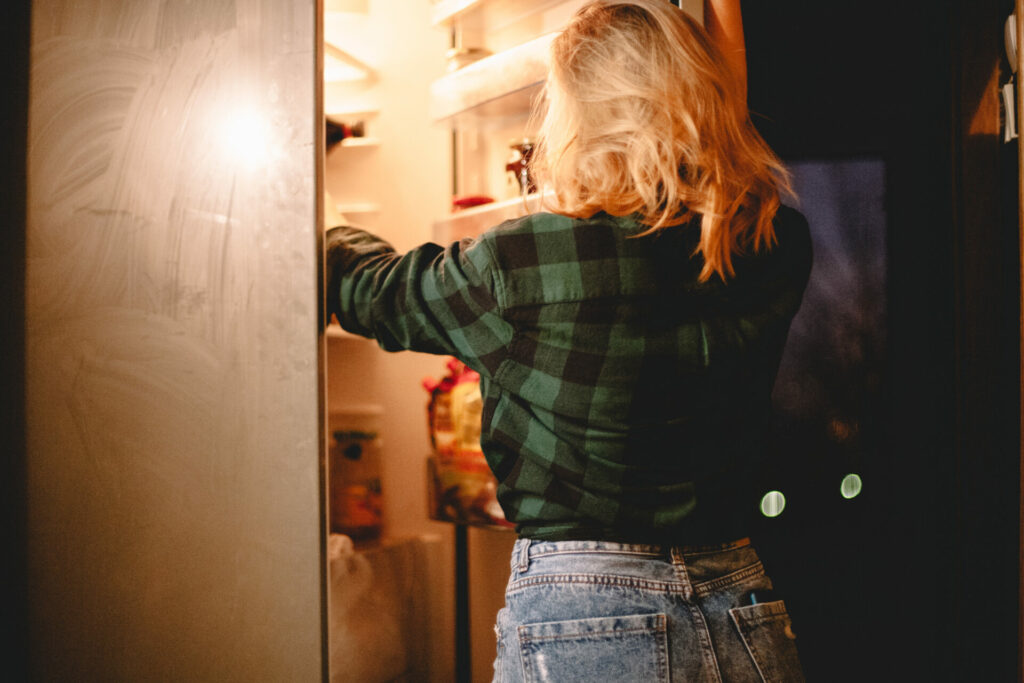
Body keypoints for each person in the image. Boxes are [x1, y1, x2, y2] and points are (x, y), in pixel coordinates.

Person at [325, 0, 812, 680]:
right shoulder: (771, 244)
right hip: (740, 606)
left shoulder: (521, 264)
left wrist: (313, 192)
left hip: (586, 614)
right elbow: (726, 162)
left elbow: (369, 290)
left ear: (579, 115)